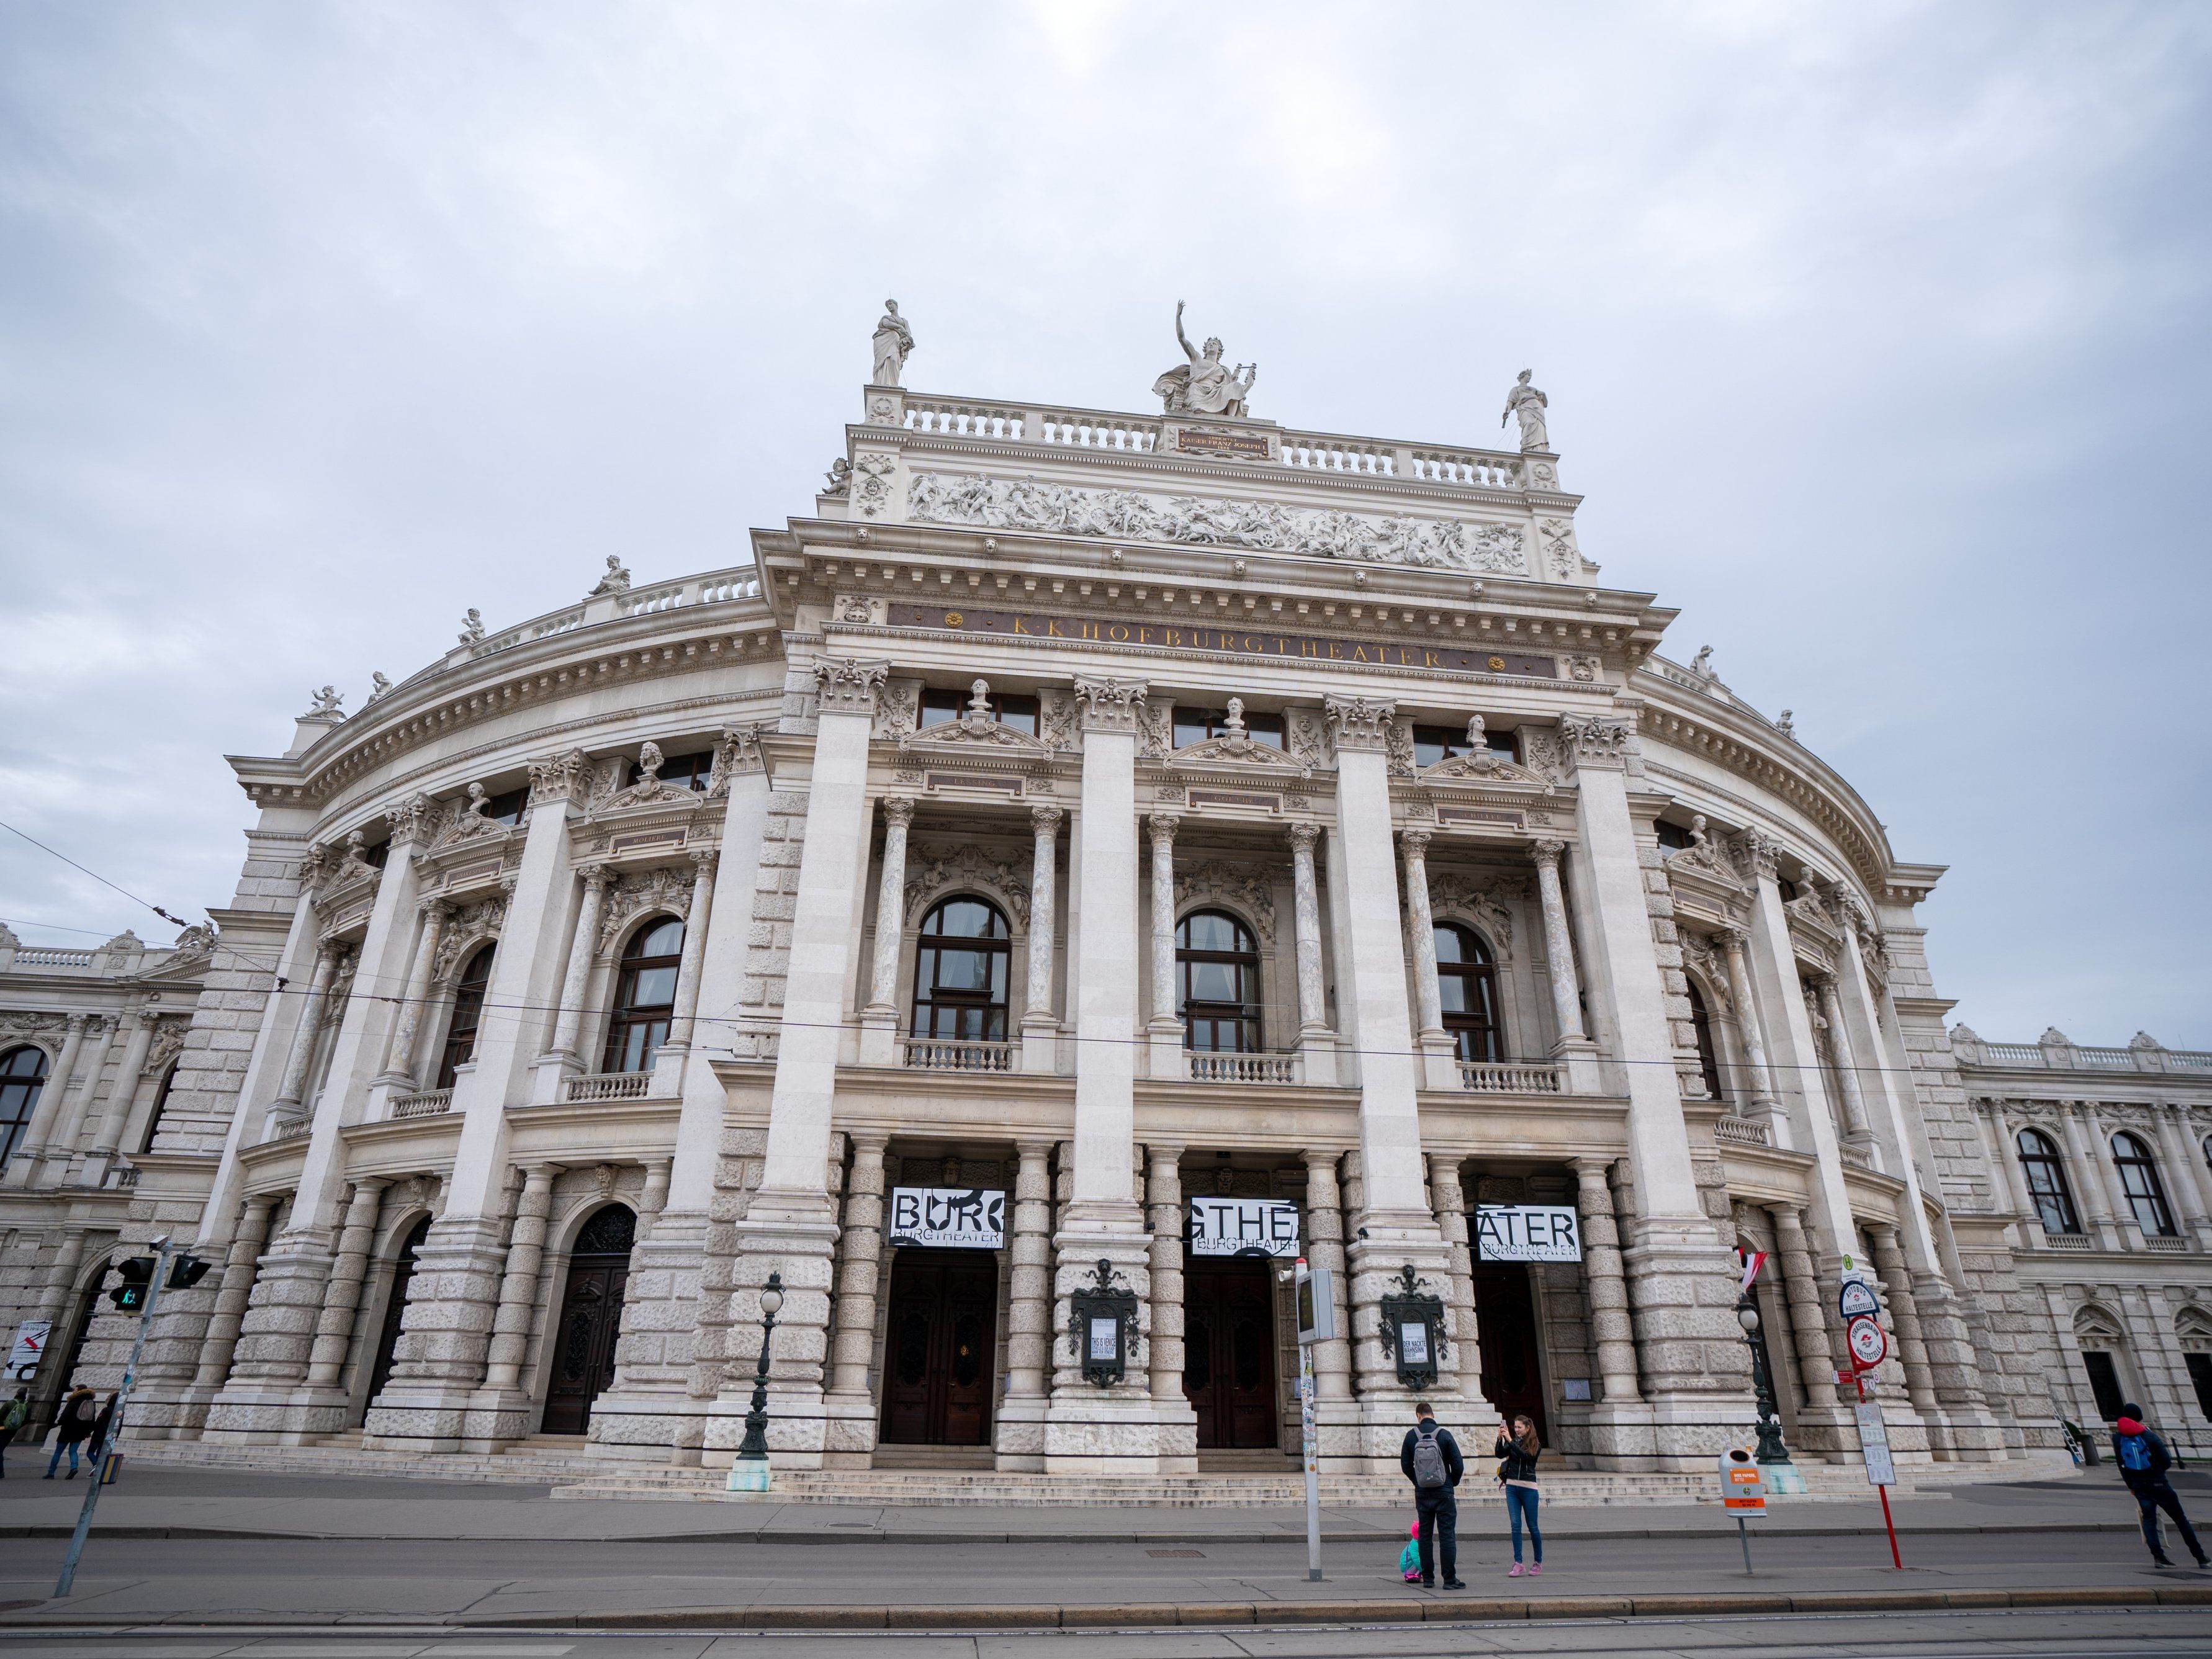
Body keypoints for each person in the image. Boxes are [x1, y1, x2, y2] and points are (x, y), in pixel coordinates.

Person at [2113, 1402, 2208, 1568]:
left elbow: (2122, 1465)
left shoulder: (2118, 1438)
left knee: (2149, 1520)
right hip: (2159, 1483)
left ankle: (2158, 1557)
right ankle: (2200, 1557)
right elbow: (2166, 1461)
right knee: (2181, 1520)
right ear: (2139, 1417)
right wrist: (2157, 1472)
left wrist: (2131, 1486)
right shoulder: (2149, 1435)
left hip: (2139, 1486)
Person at [1399, 1401, 1465, 1590]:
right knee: (1447, 1536)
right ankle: (1450, 1580)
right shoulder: (1444, 1435)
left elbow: (1405, 1465)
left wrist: (1418, 1481)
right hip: (1444, 1492)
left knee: (1425, 1537)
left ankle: (1428, 1579)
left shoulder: (1411, 1436)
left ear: (1418, 1416)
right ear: (1433, 1415)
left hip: (1423, 1494)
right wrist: (1451, 1482)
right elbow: (1458, 1465)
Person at [1496, 1414, 1544, 1576]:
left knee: (1533, 1527)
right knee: (1515, 1525)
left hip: (1528, 1488)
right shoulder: (1513, 1442)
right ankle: (1518, 1563)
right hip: (1512, 1488)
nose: (1516, 1430)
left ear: (1527, 1428)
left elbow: (1527, 1457)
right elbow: (1499, 1454)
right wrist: (1500, 1439)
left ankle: (1538, 1562)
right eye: (1515, 1427)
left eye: (1519, 1427)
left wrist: (1510, 1440)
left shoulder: (1535, 1444)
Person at [44, 1385, 97, 1479]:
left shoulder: (74, 1400)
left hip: (67, 1430)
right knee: (73, 1451)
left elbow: (65, 1416)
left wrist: (59, 1423)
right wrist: (88, 1431)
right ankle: (74, 1467)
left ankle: (51, 1473)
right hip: (80, 1432)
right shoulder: (91, 1403)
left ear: (79, 1391)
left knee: (58, 1452)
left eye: (75, 1390)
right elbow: (92, 1419)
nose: (73, 1391)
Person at [0, 1388, 26, 1477]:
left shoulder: (9, 1403)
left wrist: (4, 1426)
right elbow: (27, 1419)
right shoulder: (27, 1405)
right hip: (13, 1430)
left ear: (17, 1393)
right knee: (1, 1449)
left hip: (2, 1429)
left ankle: (1, 1471)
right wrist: (17, 1426)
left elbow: (0, 1415)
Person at [1398, 1518, 1423, 1583]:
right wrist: (1424, 1570)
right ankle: (1417, 1576)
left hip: (1406, 1565)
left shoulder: (1415, 1542)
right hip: (1407, 1566)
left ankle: (1417, 1575)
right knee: (1421, 1561)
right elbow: (1417, 1560)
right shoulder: (1416, 1545)